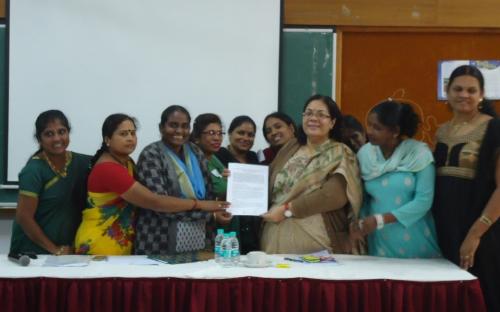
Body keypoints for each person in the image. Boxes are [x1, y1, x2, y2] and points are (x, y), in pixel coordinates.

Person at [74, 113, 228, 255]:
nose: (130, 138)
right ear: (107, 139)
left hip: (120, 240)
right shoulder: (109, 169)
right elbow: (155, 201)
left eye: (132, 133)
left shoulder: (126, 162)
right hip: (101, 243)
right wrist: (200, 205)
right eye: (123, 134)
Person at [432, 65, 499, 311]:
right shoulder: (441, 131)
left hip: (483, 233)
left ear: (481, 94)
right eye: (458, 89)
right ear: (447, 91)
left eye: (472, 90)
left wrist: (475, 235)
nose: (464, 95)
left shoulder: (495, 129)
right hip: (445, 230)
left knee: (484, 296)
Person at [261, 95, 363, 254]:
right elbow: (267, 181)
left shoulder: (340, 152)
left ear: (332, 122)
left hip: (317, 243)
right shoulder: (290, 148)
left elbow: (334, 196)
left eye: (321, 114)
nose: (313, 118)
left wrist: (287, 210)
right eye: (308, 113)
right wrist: (237, 180)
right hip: (274, 239)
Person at [134, 106, 230, 255]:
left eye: (185, 126)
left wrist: (221, 206)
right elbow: (160, 204)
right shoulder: (151, 154)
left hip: (199, 240)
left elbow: (209, 197)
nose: (179, 131)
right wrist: (210, 214)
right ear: (161, 127)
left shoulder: (195, 151)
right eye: (173, 125)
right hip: (160, 240)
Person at [355, 100, 441, 258]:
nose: (369, 131)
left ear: (395, 131)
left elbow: (424, 201)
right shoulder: (365, 154)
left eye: (377, 128)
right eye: (369, 125)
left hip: (415, 240)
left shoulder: (419, 154)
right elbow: (364, 198)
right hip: (379, 241)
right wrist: (361, 221)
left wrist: (381, 219)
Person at [10, 110, 90, 255]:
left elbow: (107, 164)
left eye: (62, 131)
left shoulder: (82, 162)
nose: (57, 138)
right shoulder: (33, 170)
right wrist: (54, 249)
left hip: (66, 253)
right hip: (32, 254)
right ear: (39, 139)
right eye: (49, 134)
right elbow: (24, 217)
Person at [215, 115, 261, 254]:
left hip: (253, 227)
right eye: (241, 133)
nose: (245, 138)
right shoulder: (218, 157)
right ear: (229, 134)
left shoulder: (255, 158)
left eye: (250, 135)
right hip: (228, 227)